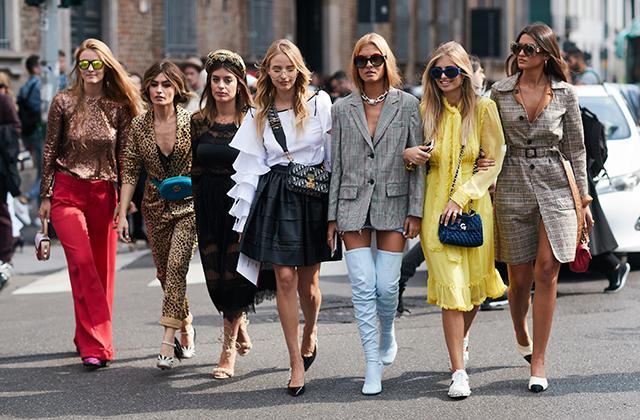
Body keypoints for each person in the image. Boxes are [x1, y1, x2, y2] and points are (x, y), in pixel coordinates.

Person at [228, 39, 335, 397]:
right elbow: (250, 166)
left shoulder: (320, 103)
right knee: (284, 278)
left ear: (299, 69)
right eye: (277, 68)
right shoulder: (258, 112)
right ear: (267, 72)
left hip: (313, 195)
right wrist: (244, 217)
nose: (284, 75)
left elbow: (331, 157)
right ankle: (294, 363)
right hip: (276, 195)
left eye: (289, 68)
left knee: (309, 285)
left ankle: (311, 330)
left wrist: (334, 214)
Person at [491, 23, 593, 393]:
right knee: (519, 279)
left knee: (547, 269)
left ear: (547, 55)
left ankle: (539, 360)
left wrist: (583, 200)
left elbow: (576, 150)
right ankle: (521, 328)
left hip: (556, 183)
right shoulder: (499, 92)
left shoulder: (565, 94)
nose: (521, 54)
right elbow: (488, 141)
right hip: (513, 182)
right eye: (518, 47)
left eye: (530, 49)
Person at [405, 41, 506, 399]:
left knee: (474, 289)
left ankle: (460, 339)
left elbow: (494, 161)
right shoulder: (424, 110)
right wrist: (408, 155)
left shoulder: (484, 109)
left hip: (475, 209)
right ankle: (458, 372)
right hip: (435, 211)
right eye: (437, 72)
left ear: (464, 74)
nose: (444, 77)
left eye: (451, 71)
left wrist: (462, 196)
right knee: (452, 290)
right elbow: (410, 161)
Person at [327, 33, 424, 395]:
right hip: (351, 203)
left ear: (387, 62)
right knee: (362, 286)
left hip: (394, 202)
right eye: (362, 60)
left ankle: (387, 331)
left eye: (375, 59)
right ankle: (371, 363)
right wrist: (332, 216)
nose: (369, 65)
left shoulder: (408, 105)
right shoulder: (342, 108)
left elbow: (419, 161)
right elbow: (337, 165)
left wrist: (416, 210)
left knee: (386, 286)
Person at [38, 38, 141, 370]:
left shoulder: (118, 107)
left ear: (107, 66)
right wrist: (45, 196)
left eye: (97, 63)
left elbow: (125, 158)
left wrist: (124, 203)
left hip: (104, 193)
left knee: (103, 270)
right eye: (84, 63)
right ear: (77, 67)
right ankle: (97, 344)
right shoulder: (63, 102)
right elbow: (49, 151)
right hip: (67, 191)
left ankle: (88, 335)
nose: (91, 69)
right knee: (82, 262)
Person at [191, 49, 272, 379]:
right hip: (208, 207)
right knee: (216, 281)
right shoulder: (198, 122)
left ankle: (227, 352)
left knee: (235, 277)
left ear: (240, 84)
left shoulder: (253, 120)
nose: (221, 86)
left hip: (241, 207)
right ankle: (239, 323)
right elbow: (192, 167)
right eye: (215, 80)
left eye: (228, 80)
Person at [116, 60, 197, 370]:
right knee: (164, 274)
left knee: (176, 267)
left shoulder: (191, 122)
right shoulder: (139, 125)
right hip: (154, 205)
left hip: (189, 205)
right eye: (154, 85)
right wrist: (122, 213)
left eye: (166, 85)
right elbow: (130, 170)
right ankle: (186, 324)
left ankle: (167, 340)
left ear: (177, 89)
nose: (159, 90)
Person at [0, 78, 22, 292]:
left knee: (2, 211)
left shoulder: (3, 100)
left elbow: (15, 129)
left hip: (1, 165)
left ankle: (5, 257)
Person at [17, 55, 43, 206]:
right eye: (41, 65)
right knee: (46, 171)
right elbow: (42, 110)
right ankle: (28, 196)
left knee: (41, 170)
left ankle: (40, 211)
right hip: (38, 132)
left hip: (27, 132)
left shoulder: (25, 85)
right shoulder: (39, 84)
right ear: (35, 68)